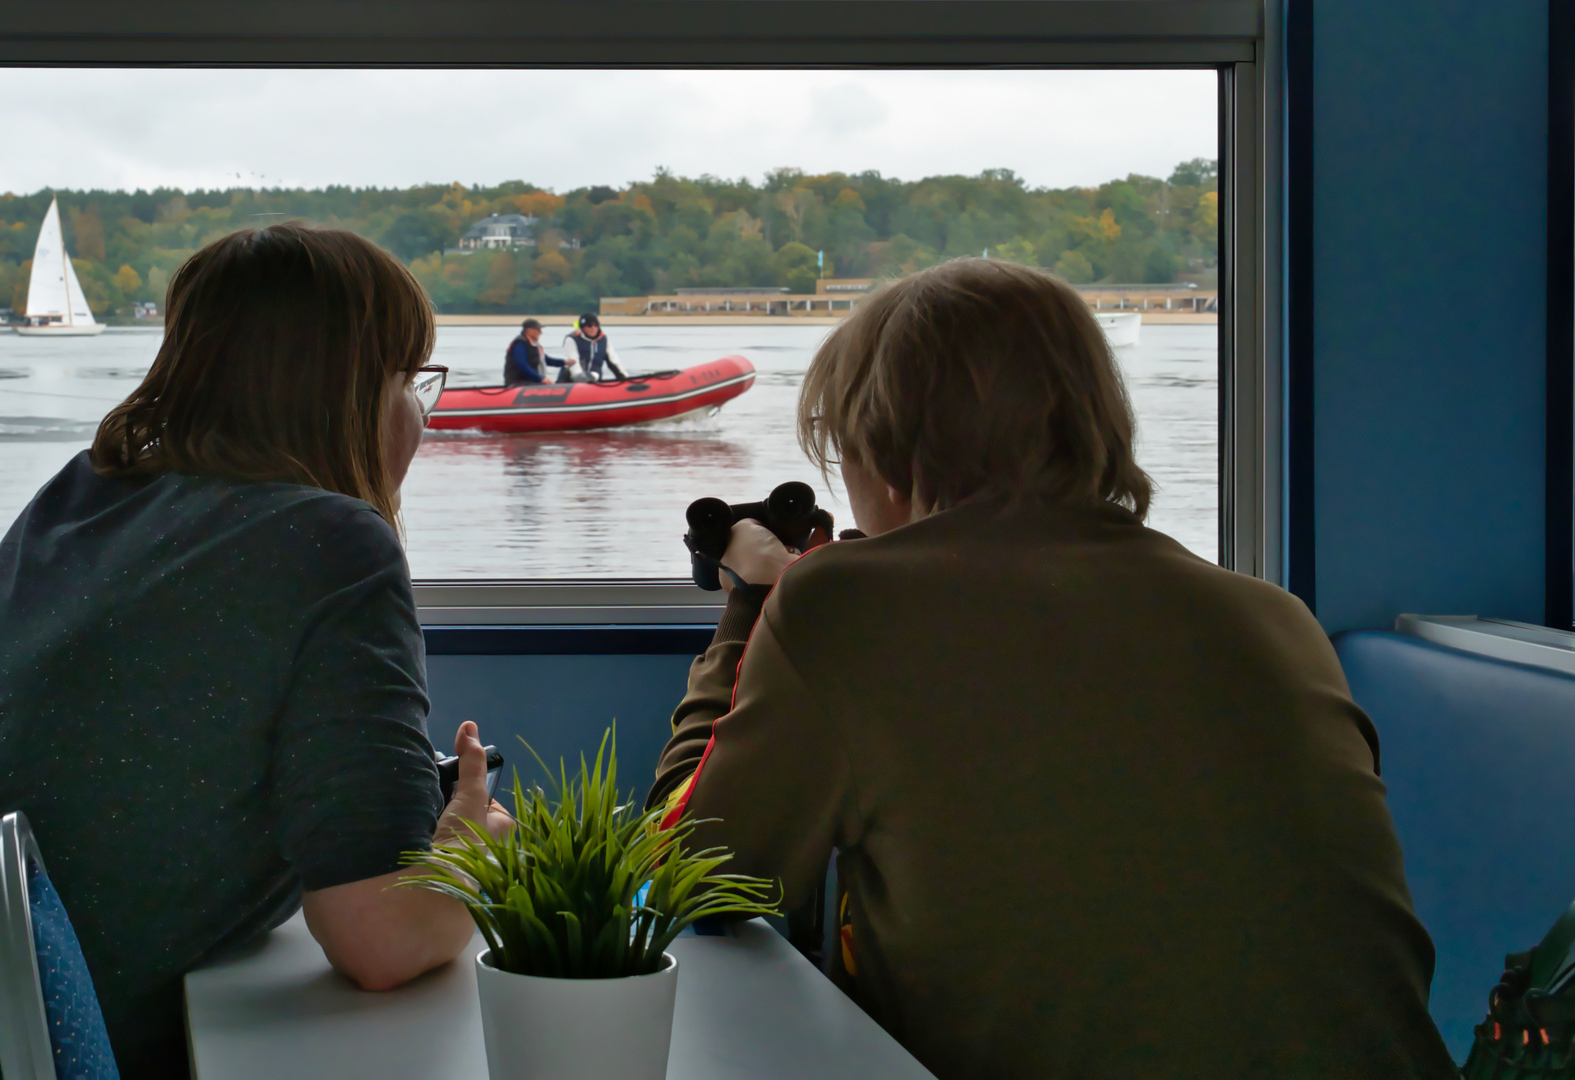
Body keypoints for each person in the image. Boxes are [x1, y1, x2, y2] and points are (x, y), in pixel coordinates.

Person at [0, 224, 513, 1080]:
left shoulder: (81, 499)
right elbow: (378, 939)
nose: (420, 412)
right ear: (348, 390)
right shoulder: (333, 546)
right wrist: (471, 849)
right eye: (409, 379)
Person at [648, 258, 1457, 1079]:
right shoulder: (1269, 614)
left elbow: (687, 884)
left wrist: (751, 607)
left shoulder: (845, 603)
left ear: (886, 452)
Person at [558, 313, 626, 382]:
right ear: (582, 327)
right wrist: (581, 379)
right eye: (589, 326)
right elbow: (574, 363)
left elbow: (614, 362)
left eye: (596, 325)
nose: (593, 328)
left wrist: (626, 379)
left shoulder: (604, 339)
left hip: (595, 381)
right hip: (572, 381)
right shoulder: (572, 339)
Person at [503, 317, 556, 385]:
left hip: (532, 382)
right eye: (538, 330)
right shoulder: (520, 344)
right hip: (519, 383)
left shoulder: (533, 345)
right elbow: (521, 364)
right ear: (529, 330)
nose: (541, 332)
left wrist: (564, 362)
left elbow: (545, 359)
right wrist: (541, 379)